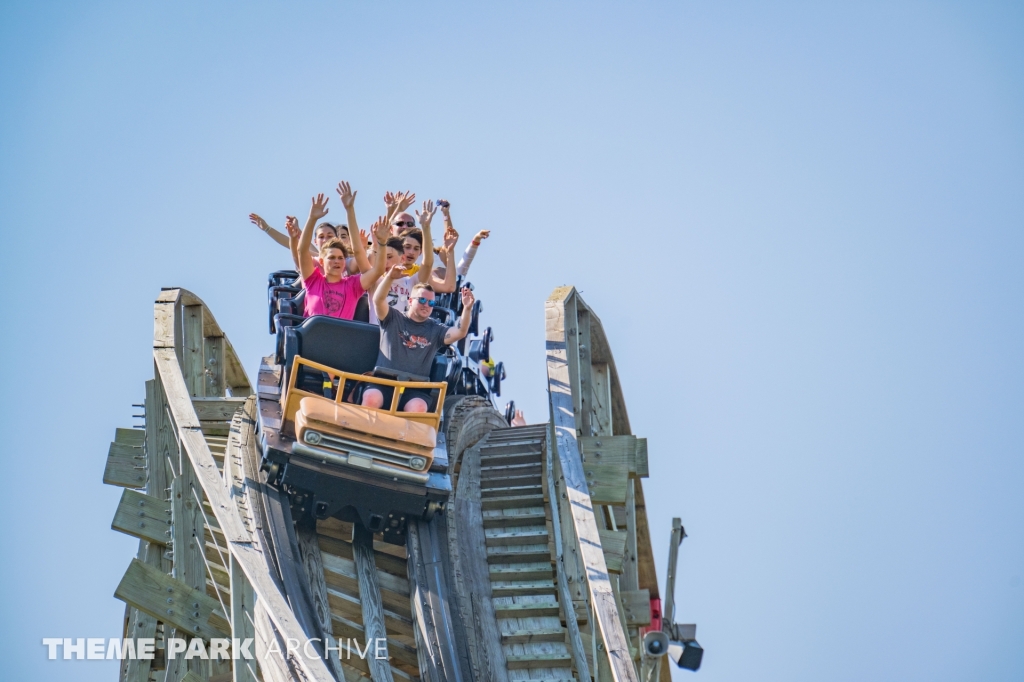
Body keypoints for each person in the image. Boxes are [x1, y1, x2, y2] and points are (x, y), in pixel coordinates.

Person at [362, 276, 475, 412]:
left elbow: (460, 332)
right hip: (383, 382)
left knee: (419, 408)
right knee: (371, 398)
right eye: (422, 300)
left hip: (414, 389)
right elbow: (378, 300)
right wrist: (391, 277)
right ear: (410, 301)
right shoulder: (393, 318)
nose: (426, 305)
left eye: (431, 303)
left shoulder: (436, 330)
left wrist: (467, 309)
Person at [287, 188, 389, 320]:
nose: (337, 261)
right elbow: (302, 251)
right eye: (332, 257)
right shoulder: (313, 280)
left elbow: (377, 271)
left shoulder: (352, 285)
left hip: (340, 339)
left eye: (340, 258)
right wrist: (312, 219)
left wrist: (382, 243)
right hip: (314, 338)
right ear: (322, 262)